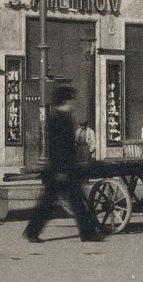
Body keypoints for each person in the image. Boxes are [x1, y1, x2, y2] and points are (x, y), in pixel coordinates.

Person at [23, 87, 103, 243]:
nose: (74, 103)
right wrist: (61, 170)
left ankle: (33, 232)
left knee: (56, 202)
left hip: (64, 169)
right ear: (66, 101)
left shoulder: (62, 117)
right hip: (61, 170)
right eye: (72, 100)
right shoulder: (58, 119)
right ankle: (87, 233)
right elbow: (57, 147)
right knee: (71, 202)